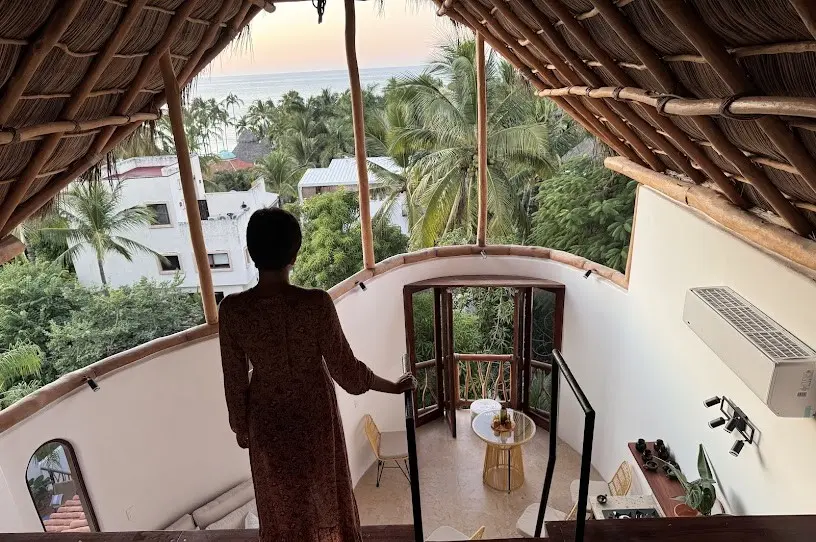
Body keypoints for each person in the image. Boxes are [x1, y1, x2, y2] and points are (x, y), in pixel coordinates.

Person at [218, 207, 415, 542]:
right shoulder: (315, 304)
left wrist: (241, 426)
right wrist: (394, 388)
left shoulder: (233, 311)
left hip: (266, 420)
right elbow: (349, 374)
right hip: (314, 416)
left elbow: (234, 381)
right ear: (295, 254)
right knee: (323, 493)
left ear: (251, 253)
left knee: (280, 501)